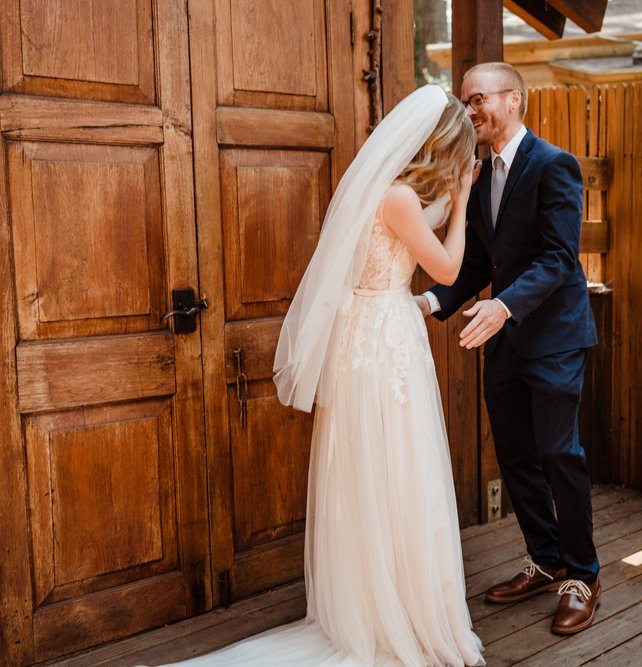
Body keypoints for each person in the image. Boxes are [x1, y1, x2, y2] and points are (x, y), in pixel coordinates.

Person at [155, 85, 485, 667]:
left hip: (372, 328)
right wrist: (461, 203)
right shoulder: (402, 199)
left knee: (379, 469)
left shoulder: (386, 193)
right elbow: (450, 267)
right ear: (446, 148)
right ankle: (394, 613)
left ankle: (385, 600)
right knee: (396, 466)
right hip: (384, 341)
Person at [417, 62, 601, 635]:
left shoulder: (554, 165)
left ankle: (583, 575)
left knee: (558, 453)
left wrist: (504, 305)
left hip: (554, 339)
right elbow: (477, 263)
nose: (470, 112)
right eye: (465, 102)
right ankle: (545, 561)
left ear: (514, 100)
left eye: (478, 100)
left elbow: (557, 256)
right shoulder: (479, 173)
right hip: (503, 342)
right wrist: (428, 304)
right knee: (517, 457)